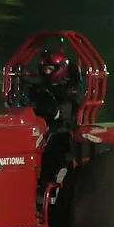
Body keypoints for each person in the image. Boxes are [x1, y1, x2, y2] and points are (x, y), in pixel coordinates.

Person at [28, 49, 84, 185]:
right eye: (45, 69)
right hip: (41, 126)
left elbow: (64, 114)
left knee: (54, 148)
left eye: (50, 69)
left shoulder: (70, 91)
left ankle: (54, 179)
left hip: (62, 131)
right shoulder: (39, 89)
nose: (47, 72)